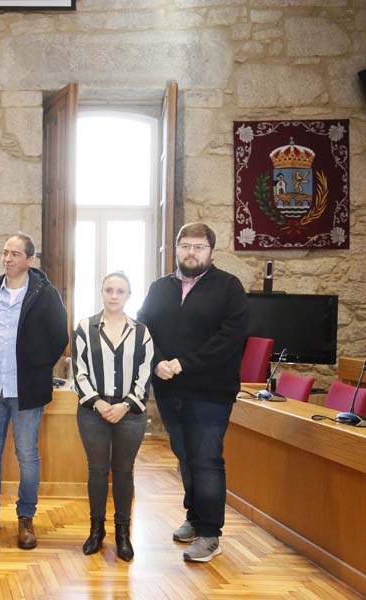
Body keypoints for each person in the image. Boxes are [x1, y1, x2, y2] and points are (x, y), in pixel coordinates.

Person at [137, 222, 249, 563]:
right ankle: (194, 517)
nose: (191, 252)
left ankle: (210, 534)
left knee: (207, 459)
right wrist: (157, 362)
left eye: (199, 247)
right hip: (169, 390)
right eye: (185, 246)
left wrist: (184, 363)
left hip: (211, 391)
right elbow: (143, 328)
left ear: (211, 252)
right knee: (185, 456)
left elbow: (230, 339)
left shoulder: (229, 287)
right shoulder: (160, 287)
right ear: (177, 249)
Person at [0, 233, 68, 550]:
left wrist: (37, 366)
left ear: (30, 260)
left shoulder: (45, 294)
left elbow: (59, 337)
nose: (7, 258)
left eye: (15, 254)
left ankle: (25, 518)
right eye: (5, 252)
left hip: (26, 390)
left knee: (27, 455)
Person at [72, 272, 153, 562]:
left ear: (128, 295)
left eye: (120, 291)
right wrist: (98, 403)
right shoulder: (85, 328)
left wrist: (124, 406)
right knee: (96, 471)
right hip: (93, 413)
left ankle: (122, 533)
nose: (114, 295)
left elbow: (145, 375)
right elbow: (79, 372)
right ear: (102, 293)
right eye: (109, 290)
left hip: (130, 415)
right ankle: (96, 530)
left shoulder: (141, 332)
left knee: (123, 471)